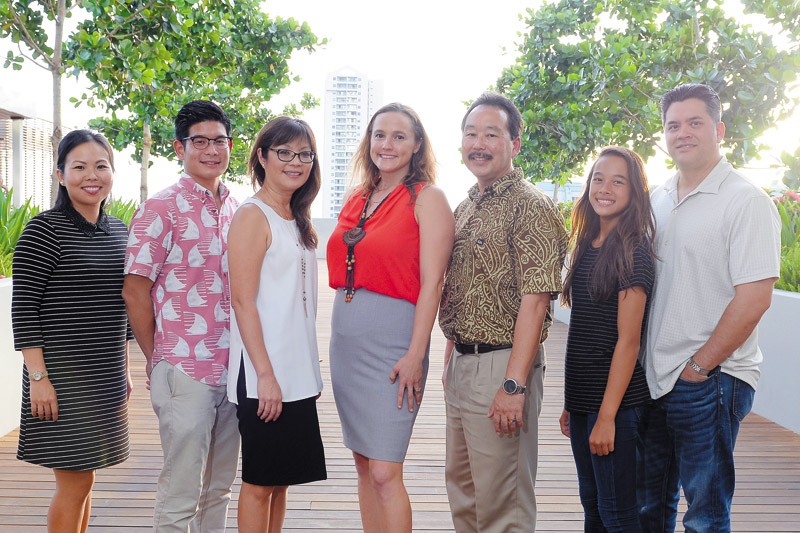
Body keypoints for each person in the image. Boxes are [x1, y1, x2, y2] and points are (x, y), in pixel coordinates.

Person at [638, 83, 781, 532]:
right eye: (673, 125)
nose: (683, 133)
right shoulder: (657, 198)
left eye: (695, 122)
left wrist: (700, 366)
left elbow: (755, 296)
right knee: (649, 507)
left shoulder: (746, 201)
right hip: (654, 378)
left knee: (705, 514)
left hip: (711, 378)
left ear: (718, 130)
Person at [439, 92, 567, 533]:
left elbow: (536, 299)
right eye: (471, 133)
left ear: (515, 142)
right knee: (465, 491)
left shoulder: (531, 206)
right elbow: (461, 284)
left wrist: (514, 385)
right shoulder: (467, 205)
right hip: (463, 366)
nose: (479, 143)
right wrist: (450, 353)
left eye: (491, 134)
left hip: (503, 367)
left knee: (502, 504)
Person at [327, 103, 454, 532]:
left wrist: (416, 354)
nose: (388, 144)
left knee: (385, 470)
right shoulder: (357, 197)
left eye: (400, 136)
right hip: (347, 345)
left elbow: (433, 283)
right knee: (364, 464)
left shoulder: (428, 198)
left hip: (395, 345)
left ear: (417, 145)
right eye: (380, 134)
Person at [122, 100, 240, 532]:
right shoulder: (161, 208)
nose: (211, 150)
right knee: (180, 491)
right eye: (200, 141)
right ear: (179, 147)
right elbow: (134, 289)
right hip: (184, 367)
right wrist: (158, 357)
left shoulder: (236, 207)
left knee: (220, 488)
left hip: (233, 370)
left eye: (220, 141)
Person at [11, 129, 132, 532]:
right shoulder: (43, 231)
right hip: (60, 379)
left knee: (86, 477)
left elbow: (122, 306)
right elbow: (24, 309)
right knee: (74, 481)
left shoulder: (118, 231)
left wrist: (126, 372)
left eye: (101, 166)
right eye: (79, 167)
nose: (91, 175)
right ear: (60, 175)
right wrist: (39, 379)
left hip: (105, 376)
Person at [226, 116, 327, 532]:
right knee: (259, 482)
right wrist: (265, 376)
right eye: (284, 152)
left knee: (282, 480)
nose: (295, 162)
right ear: (262, 157)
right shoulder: (253, 215)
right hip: (263, 374)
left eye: (304, 154)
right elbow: (242, 302)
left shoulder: (295, 216)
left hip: (296, 374)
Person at [558, 146, 656, 532]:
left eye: (619, 181)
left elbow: (627, 342)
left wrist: (607, 416)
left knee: (618, 513)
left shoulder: (634, 252)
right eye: (598, 178)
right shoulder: (586, 245)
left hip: (615, 407)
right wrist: (573, 404)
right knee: (593, 506)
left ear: (635, 192)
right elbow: (583, 330)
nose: (605, 188)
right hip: (585, 402)